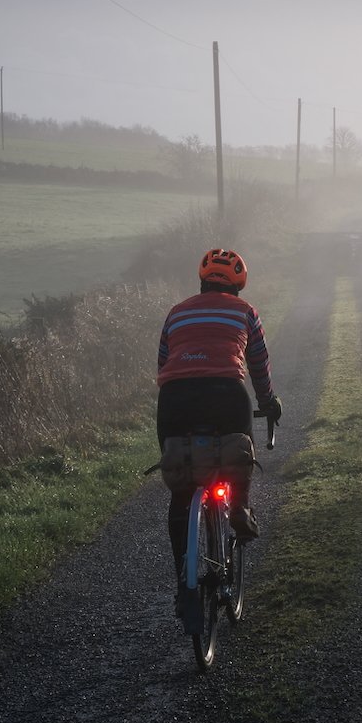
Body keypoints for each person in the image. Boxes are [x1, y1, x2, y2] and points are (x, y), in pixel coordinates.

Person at [156, 248, 282, 588]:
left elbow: (163, 363)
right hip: (226, 392)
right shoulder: (245, 312)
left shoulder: (177, 312)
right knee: (239, 450)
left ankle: (184, 580)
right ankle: (239, 508)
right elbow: (258, 365)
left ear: (201, 279)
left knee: (180, 485)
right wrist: (268, 402)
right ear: (240, 283)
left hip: (174, 398)